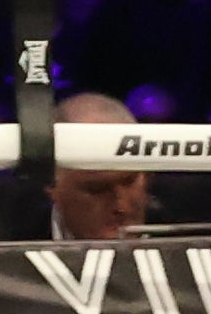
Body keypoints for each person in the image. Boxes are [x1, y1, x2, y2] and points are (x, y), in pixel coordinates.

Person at [46, 95, 158, 245]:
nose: (122, 207)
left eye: (129, 181)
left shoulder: (192, 222)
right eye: (97, 189)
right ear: (51, 186)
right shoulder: (9, 235)